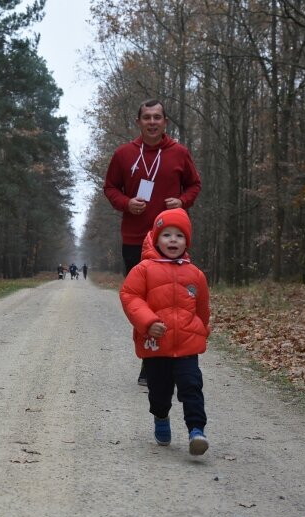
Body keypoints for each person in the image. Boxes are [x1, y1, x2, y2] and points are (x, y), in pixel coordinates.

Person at [104, 99, 202, 386]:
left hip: (170, 240)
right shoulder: (124, 154)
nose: (152, 122)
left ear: (165, 122)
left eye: (157, 117)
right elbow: (110, 187)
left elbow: (194, 184)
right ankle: (150, 362)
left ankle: (169, 360)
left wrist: (182, 201)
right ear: (138, 122)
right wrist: (125, 202)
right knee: (143, 302)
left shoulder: (179, 153)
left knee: (171, 301)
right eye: (146, 117)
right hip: (135, 238)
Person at [119, 208, 210, 456]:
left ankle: (196, 431)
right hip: (155, 346)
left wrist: (202, 331)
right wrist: (148, 323)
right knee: (160, 392)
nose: (173, 240)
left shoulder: (196, 275)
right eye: (167, 234)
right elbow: (130, 297)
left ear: (187, 241)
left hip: (187, 345)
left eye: (179, 236)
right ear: (156, 239)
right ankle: (161, 417)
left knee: (192, 386)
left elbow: (202, 309)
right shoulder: (143, 269)